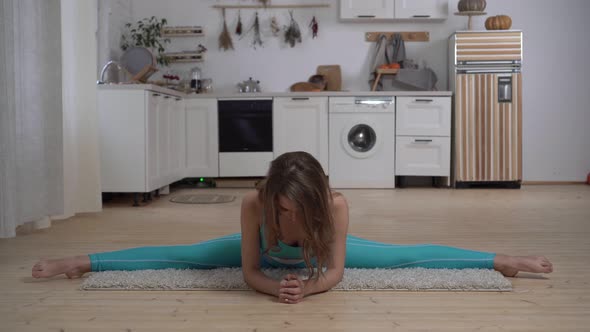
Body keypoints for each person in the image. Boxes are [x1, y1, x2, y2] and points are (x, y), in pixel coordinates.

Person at [32, 151, 553, 304]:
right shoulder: (253, 204)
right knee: (185, 254)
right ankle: (84, 261)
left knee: (402, 255)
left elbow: (338, 272)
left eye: (301, 210)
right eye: (283, 209)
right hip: (275, 265)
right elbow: (249, 271)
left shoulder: (337, 206)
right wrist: (269, 287)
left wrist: (310, 285)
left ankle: (500, 260)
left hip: (312, 267)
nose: (292, 218)